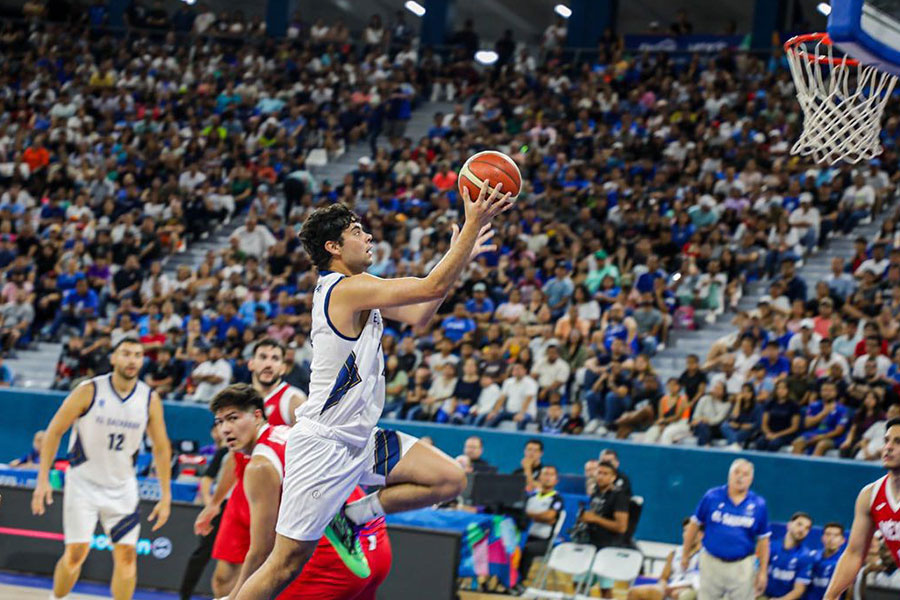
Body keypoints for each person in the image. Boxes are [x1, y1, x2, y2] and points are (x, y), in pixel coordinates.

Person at [235, 186, 512, 599]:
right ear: (333, 247)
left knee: (449, 478)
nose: (368, 238)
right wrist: (471, 226)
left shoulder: (361, 290)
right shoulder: (345, 288)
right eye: (357, 231)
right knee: (284, 564)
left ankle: (356, 513)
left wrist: (459, 260)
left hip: (360, 441)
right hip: (324, 447)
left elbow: (420, 314)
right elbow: (430, 287)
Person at [202, 384, 392, 600]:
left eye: (233, 418)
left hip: (338, 561)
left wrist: (235, 596)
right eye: (220, 422)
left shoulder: (260, 465)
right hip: (377, 546)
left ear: (256, 416)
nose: (225, 429)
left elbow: (262, 550)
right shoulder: (291, 433)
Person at [30, 337, 172, 600]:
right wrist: (43, 480)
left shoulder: (148, 398)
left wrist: (166, 495)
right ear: (113, 358)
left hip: (122, 486)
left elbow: (162, 448)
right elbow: (53, 432)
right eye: (126, 353)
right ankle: (56, 598)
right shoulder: (89, 390)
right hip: (83, 483)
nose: (132, 360)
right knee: (75, 555)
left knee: (128, 557)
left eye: (138, 355)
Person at [820, 417, 900, 598]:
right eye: (886, 440)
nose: (888, 447)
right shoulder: (870, 495)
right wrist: (830, 596)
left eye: (898, 442)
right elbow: (854, 554)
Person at [682, 458, 770, 600]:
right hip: (711, 562)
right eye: (736, 472)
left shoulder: (759, 505)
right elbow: (694, 525)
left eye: (745, 474)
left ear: (751, 479)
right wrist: (685, 554)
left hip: (742, 566)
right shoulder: (712, 497)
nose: (740, 477)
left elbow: (764, 540)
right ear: (729, 475)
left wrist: (762, 572)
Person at [579, 460, 629, 599]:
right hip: (590, 543)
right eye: (599, 472)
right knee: (580, 583)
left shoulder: (619, 496)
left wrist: (595, 519)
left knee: (605, 588)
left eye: (605, 474)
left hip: (608, 546)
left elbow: (621, 526)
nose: (600, 476)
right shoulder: (595, 493)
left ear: (613, 477)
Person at [627, 518, 702, 600]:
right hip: (671, 586)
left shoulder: (706, 555)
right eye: (685, 531)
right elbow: (663, 578)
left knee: (677, 594)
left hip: (691, 587)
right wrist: (663, 586)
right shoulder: (675, 553)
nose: (687, 534)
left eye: (691, 532)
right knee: (633, 592)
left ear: (701, 534)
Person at [517, 465, 564, 590]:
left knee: (526, 549)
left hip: (545, 540)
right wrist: (539, 516)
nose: (547, 477)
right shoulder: (531, 497)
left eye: (551, 475)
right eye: (545, 474)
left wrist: (529, 514)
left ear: (556, 480)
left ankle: (519, 582)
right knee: (511, 547)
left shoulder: (556, 498)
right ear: (539, 478)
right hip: (527, 536)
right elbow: (520, 513)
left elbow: (549, 516)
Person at [249, 337, 306, 427]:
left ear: (283, 368)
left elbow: (305, 440)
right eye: (263, 357)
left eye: (275, 359)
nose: (268, 364)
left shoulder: (294, 399)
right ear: (251, 364)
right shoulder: (240, 399)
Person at [763, 512, 813, 600]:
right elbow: (756, 573)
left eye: (807, 528)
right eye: (799, 524)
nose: (802, 530)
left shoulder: (806, 556)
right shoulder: (770, 547)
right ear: (789, 525)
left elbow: (799, 590)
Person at [804, 522, 845, 600]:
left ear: (842, 540)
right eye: (828, 534)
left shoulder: (844, 562)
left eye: (836, 535)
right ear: (822, 538)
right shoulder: (811, 557)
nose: (831, 539)